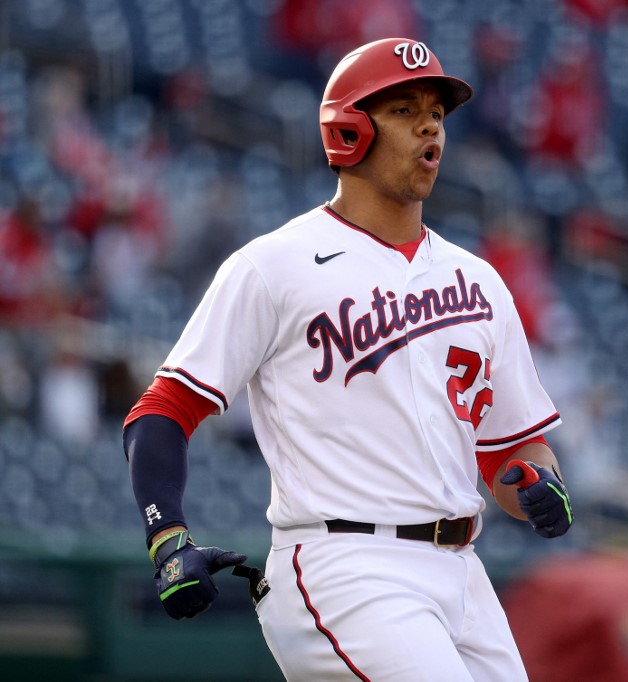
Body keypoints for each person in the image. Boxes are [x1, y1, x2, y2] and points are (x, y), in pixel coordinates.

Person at [122, 38, 573, 681]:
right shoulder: (274, 265)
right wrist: (167, 537)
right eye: (404, 109)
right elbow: (162, 411)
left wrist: (542, 484)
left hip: (462, 572)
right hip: (345, 563)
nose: (429, 125)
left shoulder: (479, 281)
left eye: (438, 113)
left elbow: (512, 452)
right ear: (348, 131)